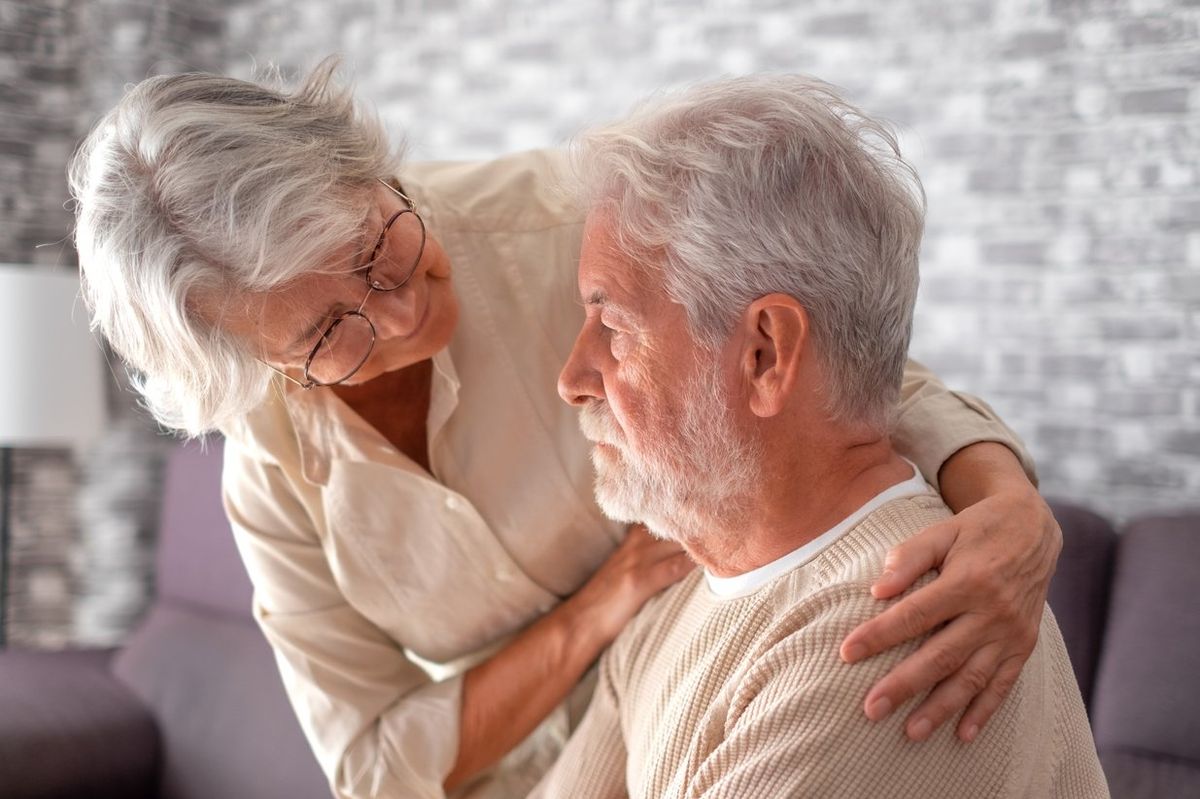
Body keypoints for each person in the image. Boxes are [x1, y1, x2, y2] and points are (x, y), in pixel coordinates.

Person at [69, 60, 1062, 799]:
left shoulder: (565, 223)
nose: (403, 314)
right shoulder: (273, 475)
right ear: (262, 370)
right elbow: (374, 765)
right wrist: (602, 607)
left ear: (370, 167)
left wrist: (1008, 505)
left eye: (382, 246)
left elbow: (827, 359)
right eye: (332, 330)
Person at [535, 73, 1107, 798]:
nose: (572, 377)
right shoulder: (678, 604)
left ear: (765, 354)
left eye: (613, 329)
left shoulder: (896, 628)